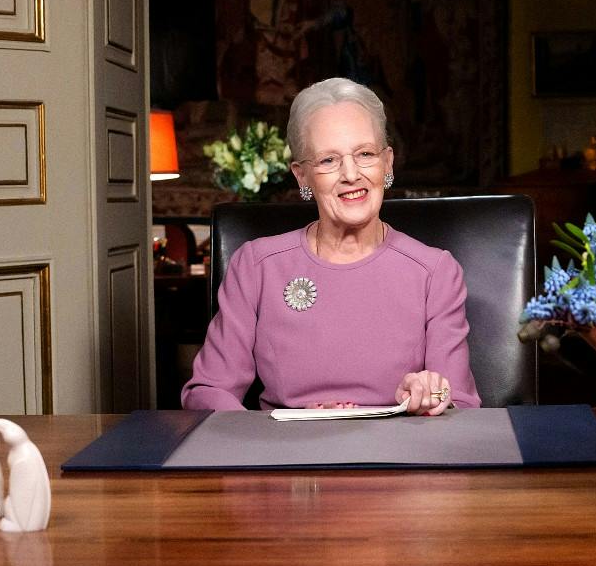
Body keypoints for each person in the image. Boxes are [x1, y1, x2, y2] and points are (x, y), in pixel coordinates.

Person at [183, 77, 479, 414]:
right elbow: (207, 391)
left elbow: (461, 406)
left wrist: (432, 397)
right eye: (328, 161)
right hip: (287, 456)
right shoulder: (256, 266)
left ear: (387, 163)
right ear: (302, 176)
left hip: (394, 457)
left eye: (365, 154)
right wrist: (262, 445)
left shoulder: (435, 272)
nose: (351, 174)